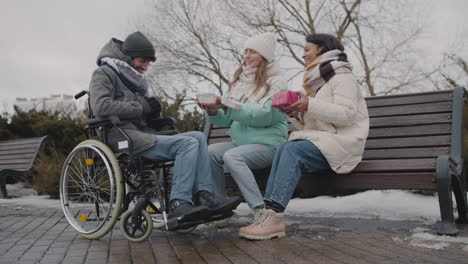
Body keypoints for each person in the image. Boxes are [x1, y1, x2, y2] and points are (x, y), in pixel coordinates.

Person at [89, 31, 241, 229]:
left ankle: (204, 195)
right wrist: (141, 107)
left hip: (141, 133)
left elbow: (140, 111)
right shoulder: (104, 73)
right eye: (142, 61)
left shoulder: (135, 79)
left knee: (197, 137)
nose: (145, 67)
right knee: (186, 144)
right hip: (121, 137)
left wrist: (152, 111)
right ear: (128, 57)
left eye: (148, 63)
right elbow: (101, 107)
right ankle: (179, 202)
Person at [238, 33, 370, 240]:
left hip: (343, 145)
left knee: (292, 149)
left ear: (322, 49)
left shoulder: (342, 77)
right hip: (324, 143)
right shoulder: (317, 81)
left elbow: (347, 115)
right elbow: (316, 122)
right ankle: (268, 216)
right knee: (286, 147)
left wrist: (309, 104)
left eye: (307, 49)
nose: (303, 55)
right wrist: (295, 114)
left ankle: (273, 217)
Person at [198, 33, 288, 227]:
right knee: (210, 152)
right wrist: (213, 110)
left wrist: (229, 106)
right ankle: (220, 208)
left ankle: (259, 211)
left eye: (252, 51)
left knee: (233, 156)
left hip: (269, 145)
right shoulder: (239, 82)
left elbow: (265, 115)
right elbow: (228, 118)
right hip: (241, 143)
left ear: (264, 55)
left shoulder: (277, 83)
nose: (247, 55)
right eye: (245, 51)